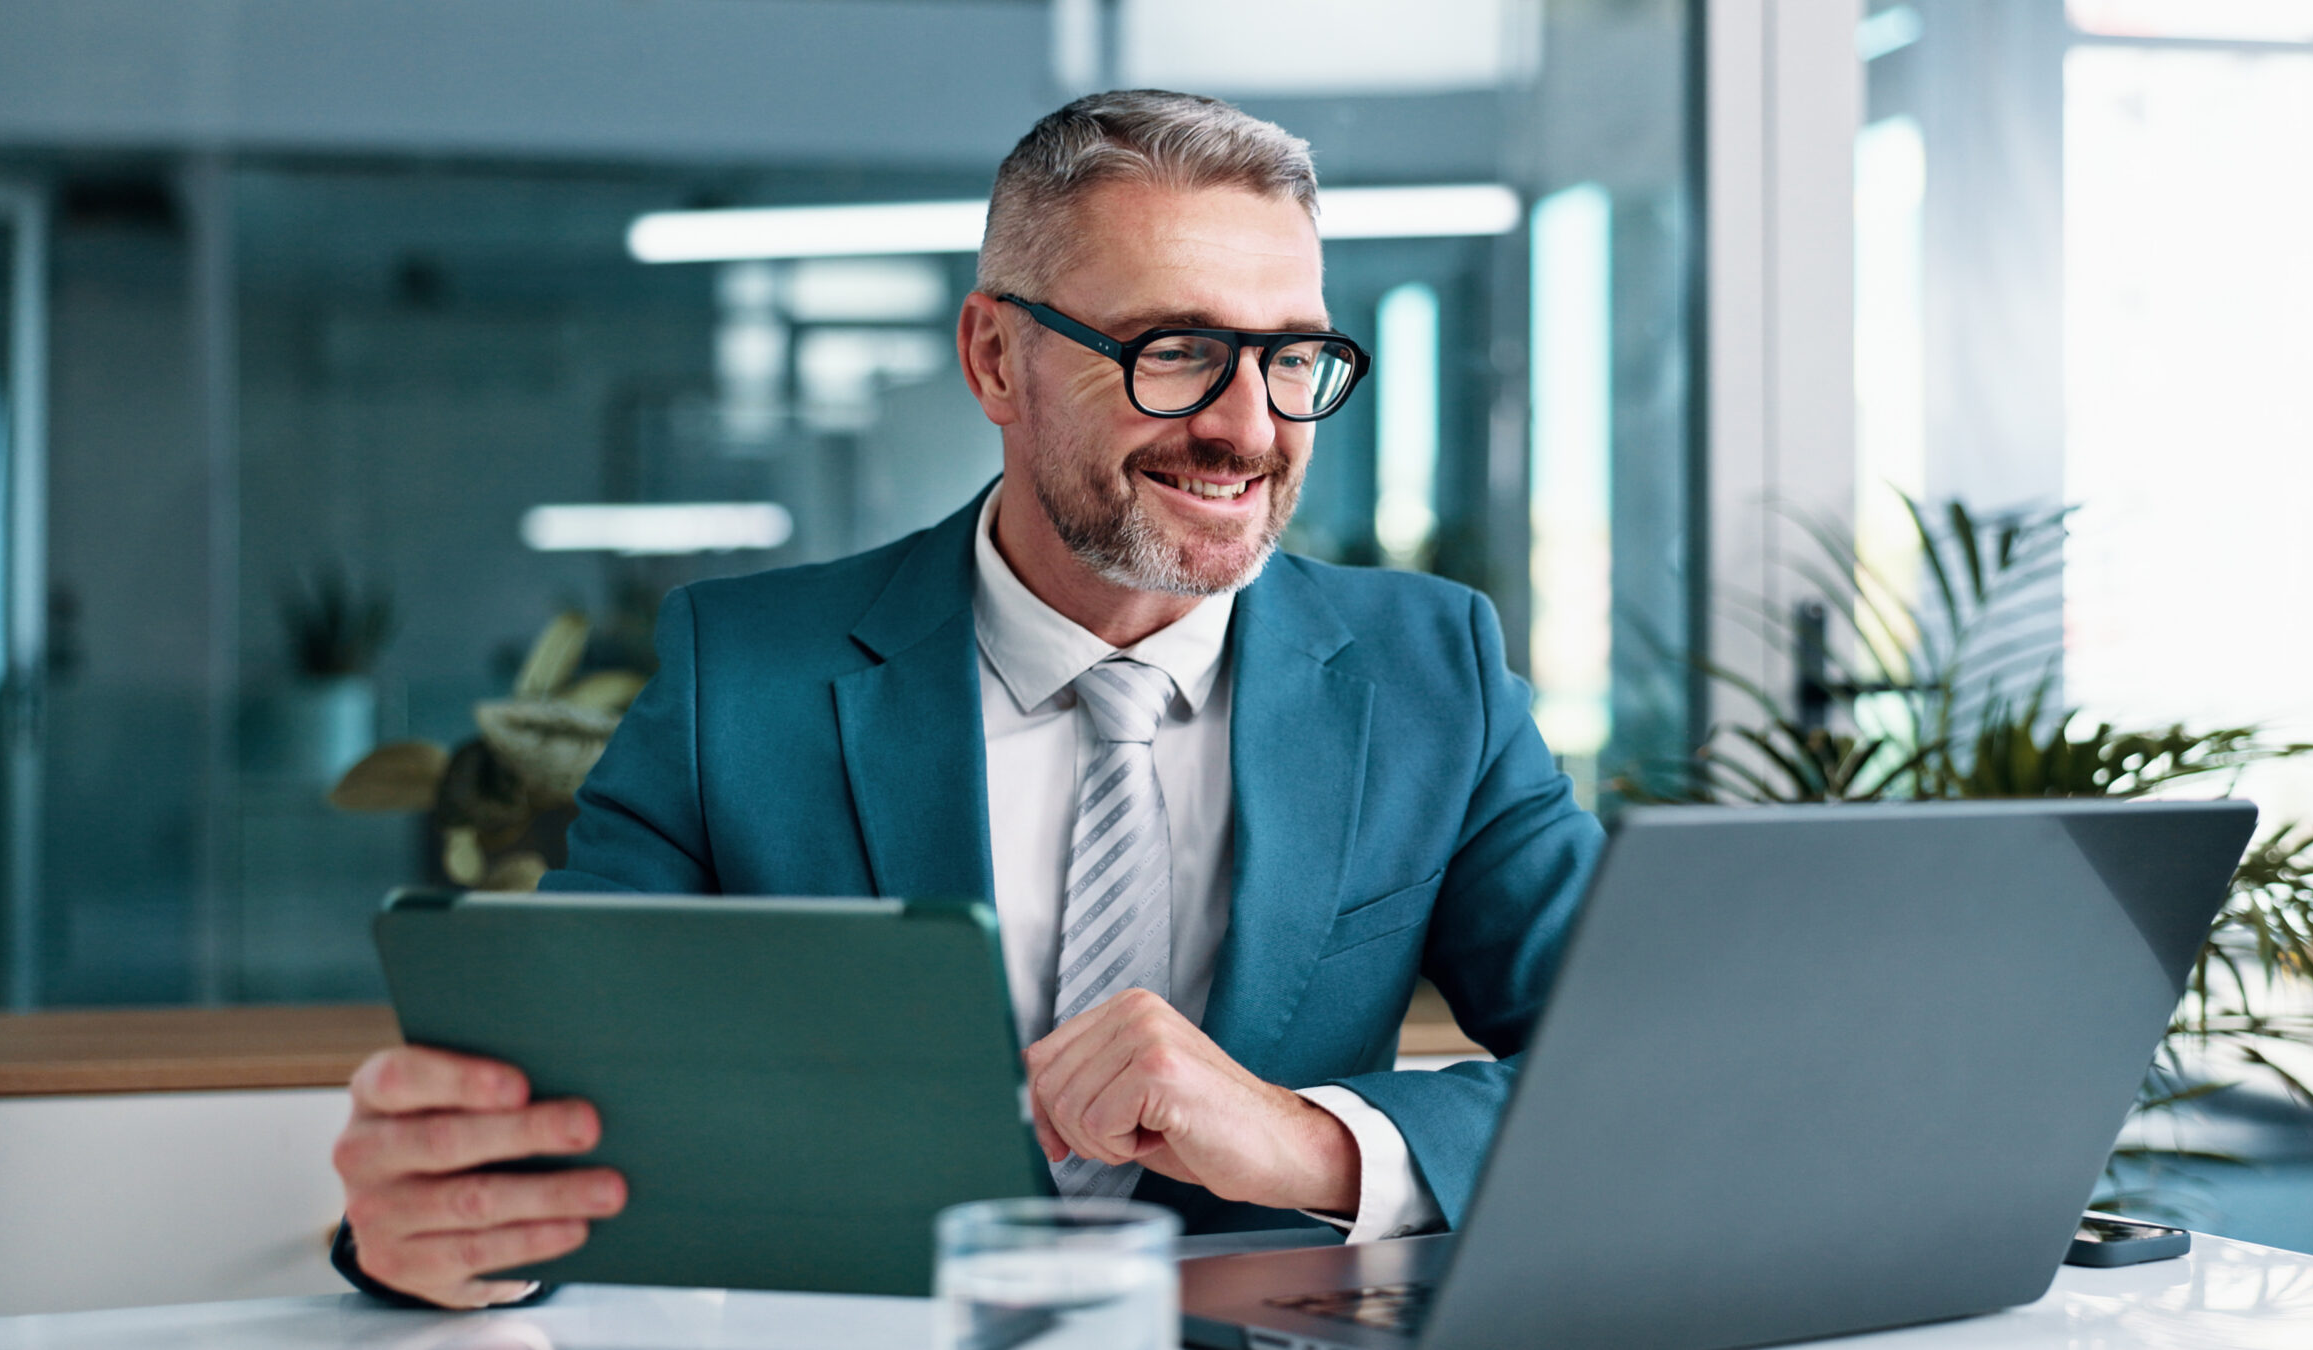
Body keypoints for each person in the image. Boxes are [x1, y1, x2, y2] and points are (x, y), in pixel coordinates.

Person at [328, 88, 1604, 1310]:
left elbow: (1633, 1078)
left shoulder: (1431, 671)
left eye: (1293, 358)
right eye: (1178, 352)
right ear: (997, 358)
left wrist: (1310, 1145)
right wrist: (443, 1235)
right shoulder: (744, 677)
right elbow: (551, 1108)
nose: (1248, 427)